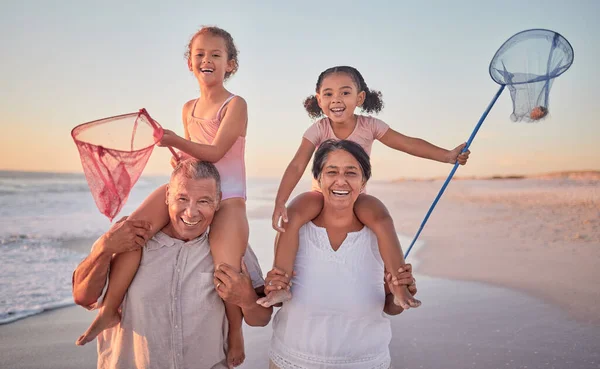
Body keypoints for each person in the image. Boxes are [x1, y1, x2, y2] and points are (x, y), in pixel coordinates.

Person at [75, 26, 250, 367]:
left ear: (230, 64)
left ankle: (236, 333)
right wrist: (180, 159)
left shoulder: (235, 104)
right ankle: (110, 309)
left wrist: (173, 141)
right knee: (135, 231)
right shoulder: (188, 107)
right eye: (199, 54)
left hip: (227, 196)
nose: (207, 60)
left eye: (216, 54)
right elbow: (196, 159)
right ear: (189, 63)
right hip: (197, 187)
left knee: (227, 268)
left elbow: (215, 152)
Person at [258, 65, 469, 308]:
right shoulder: (318, 129)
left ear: (360, 98)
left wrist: (446, 156)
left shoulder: (370, 125)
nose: (336, 99)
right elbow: (296, 165)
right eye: (328, 94)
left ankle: (399, 287)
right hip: (321, 193)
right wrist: (279, 201)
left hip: (357, 194)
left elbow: (407, 143)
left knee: (381, 217)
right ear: (318, 99)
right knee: (292, 215)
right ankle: (280, 285)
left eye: (345, 93)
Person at [72, 159, 272, 369]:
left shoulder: (231, 247)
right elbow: (82, 296)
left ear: (218, 201)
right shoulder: (127, 238)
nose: (191, 212)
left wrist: (247, 300)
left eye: (204, 201)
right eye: (182, 198)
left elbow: (261, 319)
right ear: (167, 196)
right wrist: (103, 248)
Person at [266, 139, 417, 368]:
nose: (341, 181)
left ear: (364, 180)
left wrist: (399, 298)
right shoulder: (297, 226)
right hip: (292, 359)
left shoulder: (378, 230)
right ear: (318, 178)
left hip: (365, 361)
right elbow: (276, 302)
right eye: (332, 172)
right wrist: (275, 287)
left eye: (351, 173)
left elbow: (390, 306)